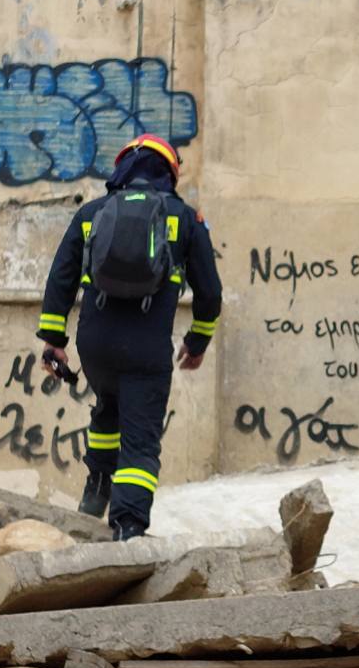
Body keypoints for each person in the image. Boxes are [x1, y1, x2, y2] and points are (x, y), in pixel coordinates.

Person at [34, 134, 221, 539]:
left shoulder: (91, 214)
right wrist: (197, 342)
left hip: (95, 344)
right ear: (169, 172)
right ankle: (128, 527)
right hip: (147, 346)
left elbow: (60, 280)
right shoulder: (184, 218)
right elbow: (211, 291)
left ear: (121, 168)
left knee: (107, 409)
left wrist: (53, 342)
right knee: (140, 441)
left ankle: (96, 490)